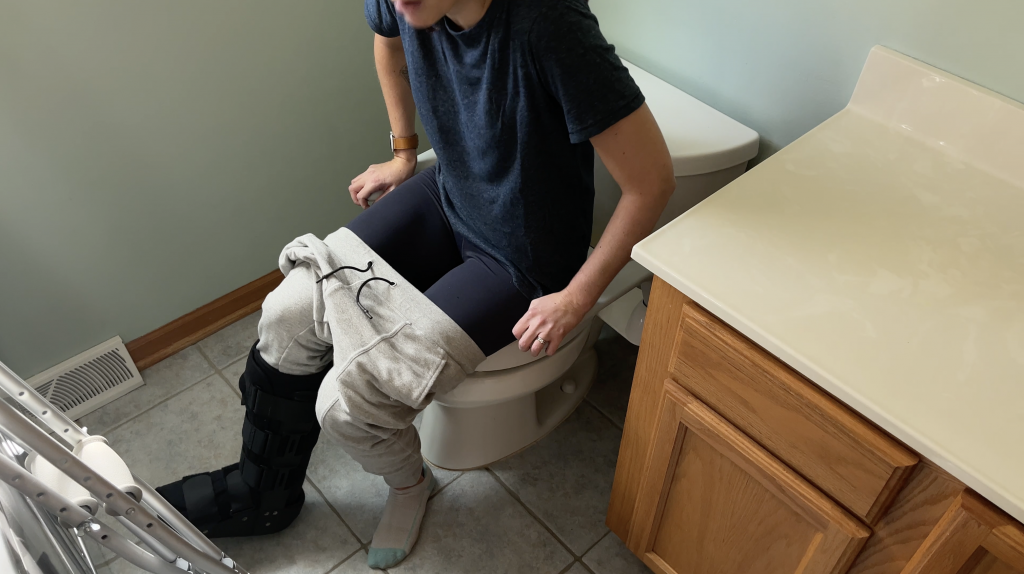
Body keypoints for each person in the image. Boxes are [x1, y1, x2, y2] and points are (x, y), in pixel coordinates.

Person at [157, 0, 675, 569]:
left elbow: (650, 182)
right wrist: (404, 152)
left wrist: (576, 297)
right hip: (449, 196)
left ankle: (410, 485)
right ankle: (265, 494)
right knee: (286, 313)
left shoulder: (548, 25)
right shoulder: (409, 0)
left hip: (523, 254)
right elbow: (388, 41)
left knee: (349, 403)